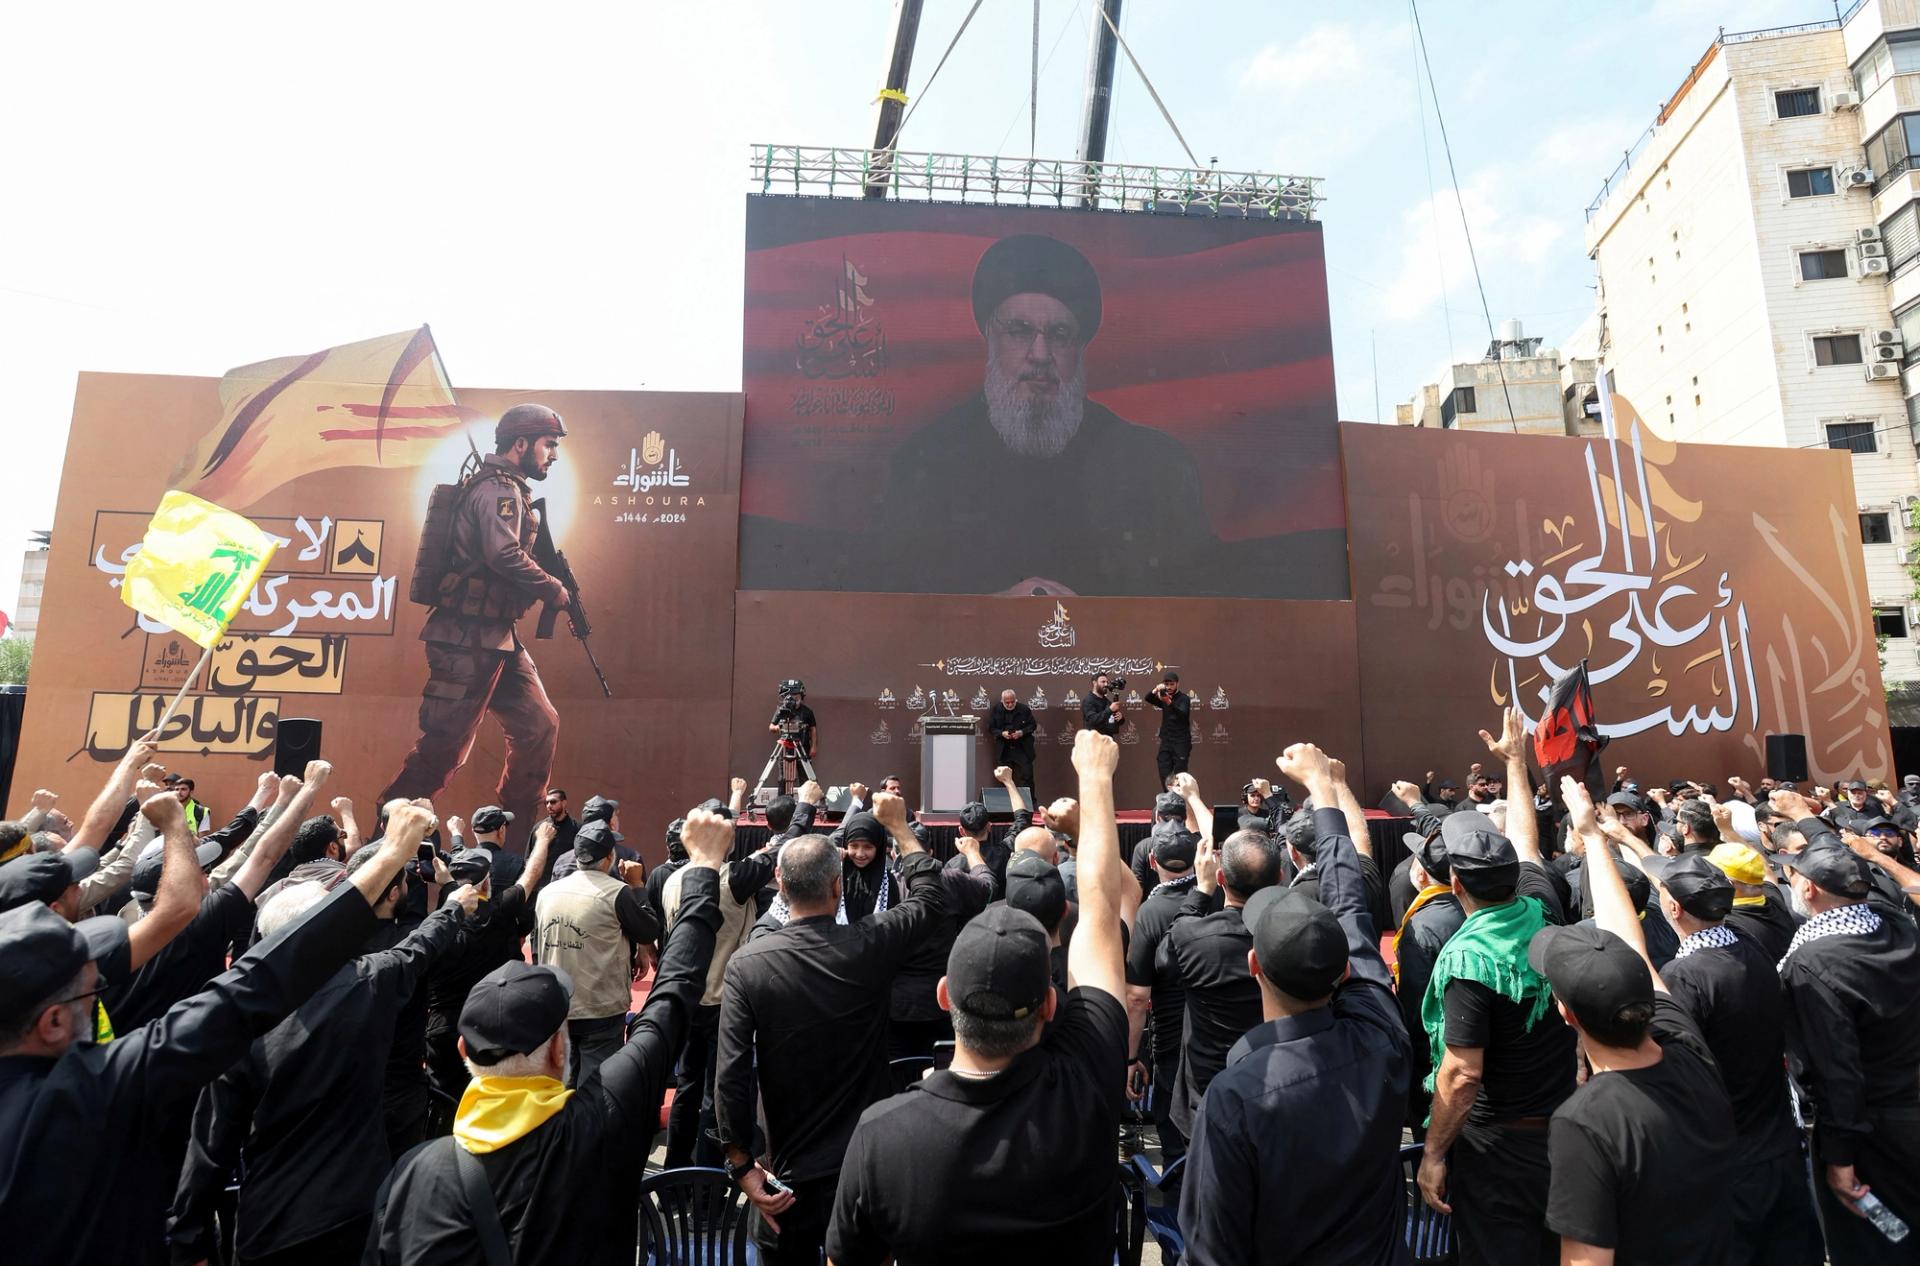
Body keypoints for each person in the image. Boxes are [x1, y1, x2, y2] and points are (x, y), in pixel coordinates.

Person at [0, 789, 435, 1265]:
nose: (101, 989)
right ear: (54, 1021)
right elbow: (251, 988)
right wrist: (391, 856)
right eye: (91, 989)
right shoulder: (90, 1089)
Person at [366, 807, 733, 1265]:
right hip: (602, 1013)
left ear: (465, 1049)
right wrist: (704, 870)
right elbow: (672, 996)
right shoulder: (602, 1120)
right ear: (559, 1050)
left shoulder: (412, 1176)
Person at [825, 727, 1134, 1264]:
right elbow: (1104, 914)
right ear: (1050, 1004)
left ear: (946, 997)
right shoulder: (1086, 1090)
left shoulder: (883, 1134)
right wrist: (1095, 781)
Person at [170, 863, 480, 1265]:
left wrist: (189, 1237)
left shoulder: (237, 1020)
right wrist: (453, 905)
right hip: (355, 1211)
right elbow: (419, 946)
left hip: (272, 1221)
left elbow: (212, 1144)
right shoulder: (370, 982)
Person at [879, 233, 1211, 596]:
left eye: (1060, 334)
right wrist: (992, 609)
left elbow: (1187, 601)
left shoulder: (1145, 464)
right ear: (990, 338)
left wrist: (1094, 619)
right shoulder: (927, 462)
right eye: (1019, 331)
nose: (1040, 354)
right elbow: (894, 607)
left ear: (1079, 349)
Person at [1181, 744, 1412, 1265]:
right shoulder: (1383, 1039)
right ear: (1348, 971)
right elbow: (1350, 905)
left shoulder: (1236, 1096)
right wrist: (1324, 788)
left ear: (1255, 965)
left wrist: (1323, 790)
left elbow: (1212, 1249)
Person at [715, 793, 949, 1265]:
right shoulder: (870, 944)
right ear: (838, 887)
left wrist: (740, 1164)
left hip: (786, 1172)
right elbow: (930, 898)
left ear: (779, 884)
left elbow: (732, 1074)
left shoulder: (747, 966)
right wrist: (902, 831)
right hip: (863, 1165)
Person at [1535, 778, 1737, 1265]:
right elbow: (1631, 943)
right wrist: (1594, 836)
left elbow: (1587, 1260)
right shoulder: (1686, 1048)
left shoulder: (1584, 1122)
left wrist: (1591, 833)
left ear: (1567, 1015)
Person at [1417, 712, 1574, 1266]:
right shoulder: (1542, 905)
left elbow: (1462, 1074)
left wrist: (1434, 1153)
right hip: (1563, 1130)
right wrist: (1516, 763)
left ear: (1454, 884)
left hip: (1498, 1148)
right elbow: (1526, 838)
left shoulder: (1468, 962)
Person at [382, 404, 572, 831]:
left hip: (497, 637)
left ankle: (518, 835)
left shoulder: (511, 488)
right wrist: (552, 588)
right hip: (464, 638)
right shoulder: (498, 491)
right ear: (520, 443)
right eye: (548, 444)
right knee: (443, 751)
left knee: (539, 725)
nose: (553, 454)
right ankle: (383, 839)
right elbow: (502, 553)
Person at [1635, 849, 1824, 1266]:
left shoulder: (1684, 976)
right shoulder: (1748, 944)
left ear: (1672, 907)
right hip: (1778, 1147)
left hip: (1731, 1163)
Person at [1772, 790, 1920, 1266]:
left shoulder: (1813, 964)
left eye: (1792, 874)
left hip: (1876, 1133)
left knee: (1881, 1238)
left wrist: (1839, 1158)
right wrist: (1806, 820)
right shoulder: (1898, 926)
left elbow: (1838, 1071)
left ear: (1808, 889)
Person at [1163, 824, 1284, 1142]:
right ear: (1280, 878)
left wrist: (1200, 892)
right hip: (1280, 1091)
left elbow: (1164, 959)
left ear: (1220, 879)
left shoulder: (1192, 937)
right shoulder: (1295, 934)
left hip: (1209, 1099)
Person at [424, 820, 555, 1104]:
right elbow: (530, 876)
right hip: (488, 1025)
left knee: (441, 1098)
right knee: (493, 1096)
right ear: (486, 882)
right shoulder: (498, 912)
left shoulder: (436, 922)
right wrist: (542, 840)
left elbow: (451, 890)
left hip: (442, 1025)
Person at [534, 818, 658, 1087]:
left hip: (558, 1004)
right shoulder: (618, 892)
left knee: (562, 1083)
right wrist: (637, 885)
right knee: (596, 1089)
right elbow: (648, 932)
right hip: (600, 1007)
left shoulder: (548, 893)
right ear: (609, 857)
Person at [1125, 826, 1200, 1170]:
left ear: (1153, 861)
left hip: (1172, 1043)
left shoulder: (1150, 913)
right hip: (1221, 1032)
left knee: (1176, 1153)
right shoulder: (1217, 897)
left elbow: (1137, 998)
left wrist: (1129, 1058)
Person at [1397, 819, 1465, 1137]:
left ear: (1421, 874)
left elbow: (1416, 1011)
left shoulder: (1421, 927)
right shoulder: (1474, 908)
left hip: (1438, 1066)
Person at [1707, 840, 1801, 963]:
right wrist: (1729, 830)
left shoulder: (1728, 925)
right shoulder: (1773, 897)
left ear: (1729, 883)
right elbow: (1768, 873)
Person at [988, 689, 1038, 799]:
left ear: (1016, 700)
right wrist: (1002, 733)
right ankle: (1006, 805)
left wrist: (1021, 732)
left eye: (1012, 702)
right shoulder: (996, 710)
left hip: (1022, 748)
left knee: (1027, 776)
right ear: (1002, 701)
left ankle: (1030, 803)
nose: (1010, 704)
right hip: (1004, 749)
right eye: (1007, 702)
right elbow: (991, 728)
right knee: (1004, 778)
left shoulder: (1024, 709)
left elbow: (1033, 725)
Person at [1146, 671, 1192, 784]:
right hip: (1166, 741)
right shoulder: (1163, 698)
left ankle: (1179, 800)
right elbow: (1148, 698)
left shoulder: (1184, 699)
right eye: (1167, 684)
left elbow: (1183, 715)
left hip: (1181, 742)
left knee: (1180, 774)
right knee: (1163, 770)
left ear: (1177, 684)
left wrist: (1169, 703)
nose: (1169, 687)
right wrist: (1156, 689)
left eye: (1172, 684)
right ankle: (1168, 797)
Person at [1081, 672, 1124, 738]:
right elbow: (1093, 720)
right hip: (1094, 742)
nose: (1106, 684)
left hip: (1107, 741)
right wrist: (1110, 710)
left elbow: (1114, 719)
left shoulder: (1107, 701)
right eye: (1103, 682)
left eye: (1107, 682)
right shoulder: (1088, 700)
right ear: (1094, 683)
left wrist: (1120, 718)